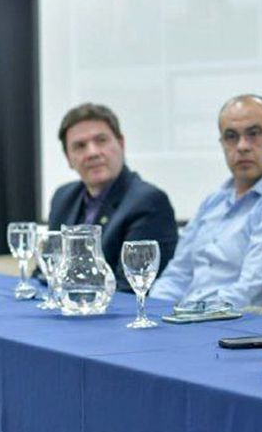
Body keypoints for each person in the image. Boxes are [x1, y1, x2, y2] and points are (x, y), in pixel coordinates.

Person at [149, 94, 262, 312]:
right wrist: (152, 311)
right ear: (222, 144)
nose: (242, 146)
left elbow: (250, 293)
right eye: (231, 136)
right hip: (190, 319)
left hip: (235, 326)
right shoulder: (214, 201)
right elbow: (177, 275)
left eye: (254, 134)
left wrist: (183, 316)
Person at [48, 103, 177, 292]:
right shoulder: (63, 197)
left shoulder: (148, 202)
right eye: (80, 146)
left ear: (121, 144)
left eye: (101, 140)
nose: (92, 152)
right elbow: (46, 273)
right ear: (68, 159)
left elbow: (129, 289)